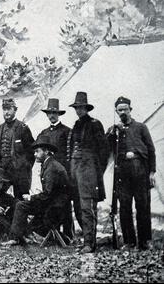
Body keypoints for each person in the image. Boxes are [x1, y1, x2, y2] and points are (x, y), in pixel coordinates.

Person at [106, 96, 156, 251]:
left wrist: (152, 172)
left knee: (143, 206)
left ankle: (145, 241)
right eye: (120, 110)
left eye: (125, 109)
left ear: (130, 110)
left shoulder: (141, 127)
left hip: (140, 172)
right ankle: (129, 241)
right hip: (123, 175)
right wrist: (110, 134)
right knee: (124, 208)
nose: (123, 112)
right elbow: (107, 149)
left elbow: (151, 150)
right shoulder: (114, 131)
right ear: (116, 111)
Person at [67, 92, 108, 253]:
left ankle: (90, 243)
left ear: (86, 108)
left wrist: (97, 171)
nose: (79, 110)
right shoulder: (76, 125)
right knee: (78, 205)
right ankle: (86, 239)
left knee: (87, 207)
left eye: (81, 107)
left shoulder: (95, 124)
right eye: (76, 108)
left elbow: (104, 151)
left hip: (89, 170)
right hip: (75, 170)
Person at [10, 136, 70, 246]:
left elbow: (48, 194)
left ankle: (16, 238)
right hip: (55, 205)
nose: (34, 154)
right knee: (29, 222)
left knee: (21, 205)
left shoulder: (52, 167)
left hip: (55, 208)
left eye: (37, 151)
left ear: (46, 151)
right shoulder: (49, 164)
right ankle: (62, 239)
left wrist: (31, 198)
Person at [36, 98, 76, 239]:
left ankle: (68, 235)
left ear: (59, 114)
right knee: (50, 202)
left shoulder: (68, 132)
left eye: (54, 113)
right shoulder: (43, 133)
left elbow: (71, 154)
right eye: (49, 113)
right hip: (49, 175)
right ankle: (53, 235)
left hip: (63, 175)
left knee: (64, 204)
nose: (52, 115)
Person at [0, 98, 35, 199]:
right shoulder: (1, 127)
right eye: (4, 109)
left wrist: (25, 167)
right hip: (4, 171)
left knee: (20, 200)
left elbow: (31, 151)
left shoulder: (23, 127)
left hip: (19, 173)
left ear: (15, 110)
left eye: (9, 109)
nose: (6, 112)